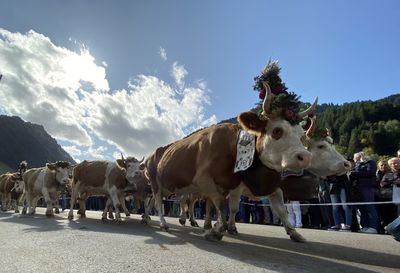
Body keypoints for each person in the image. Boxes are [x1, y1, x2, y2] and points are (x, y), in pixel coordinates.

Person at [350, 152, 379, 234]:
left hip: (367, 187)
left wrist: (355, 173)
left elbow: (370, 173)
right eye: (354, 157)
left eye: (356, 157)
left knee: (370, 207)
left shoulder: (371, 162)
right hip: (358, 188)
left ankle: (373, 227)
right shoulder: (357, 165)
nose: (354, 159)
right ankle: (366, 226)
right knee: (362, 208)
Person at [376, 159, 397, 233]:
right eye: (381, 165)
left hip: (391, 196)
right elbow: (381, 184)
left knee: (391, 213)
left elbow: (383, 183)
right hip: (379, 197)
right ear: (378, 166)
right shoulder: (377, 174)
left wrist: (390, 182)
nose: (383, 166)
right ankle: (382, 228)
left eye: (385, 165)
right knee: (382, 214)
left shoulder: (391, 173)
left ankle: (390, 229)